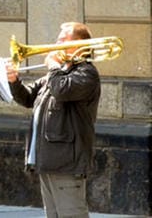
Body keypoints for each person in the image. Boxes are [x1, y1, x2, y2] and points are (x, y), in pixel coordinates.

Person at [6, 22, 102, 218]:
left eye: (63, 39)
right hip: (48, 159)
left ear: (80, 43)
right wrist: (13, 81)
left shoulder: (86, 73)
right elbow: (27, 98)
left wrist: (53, 67)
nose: (56, 42)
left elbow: (62, 90)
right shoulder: (57, 74)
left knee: (71, 215)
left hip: (67, 162)